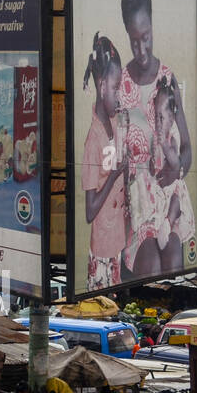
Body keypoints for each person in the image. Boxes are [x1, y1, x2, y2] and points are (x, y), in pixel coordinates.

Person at [118, 0, 192, 279]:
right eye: (134, 41)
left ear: (153, 26)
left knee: (174, 259)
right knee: (151, 266)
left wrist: (178, 168)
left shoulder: (167, 78)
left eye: (146, 37)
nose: (142, 49)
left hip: (171, 197)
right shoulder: (119, 86)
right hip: (136, 203)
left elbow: (187, 147)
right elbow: (112, 157)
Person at [81, 32, 128, 290]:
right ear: (101, 86)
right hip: (101, 253)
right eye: (114, 87)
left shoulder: (114, 123)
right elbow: (89, 212)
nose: (118, 95)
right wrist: (113, 175)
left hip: (118, 242)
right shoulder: (93, 140)